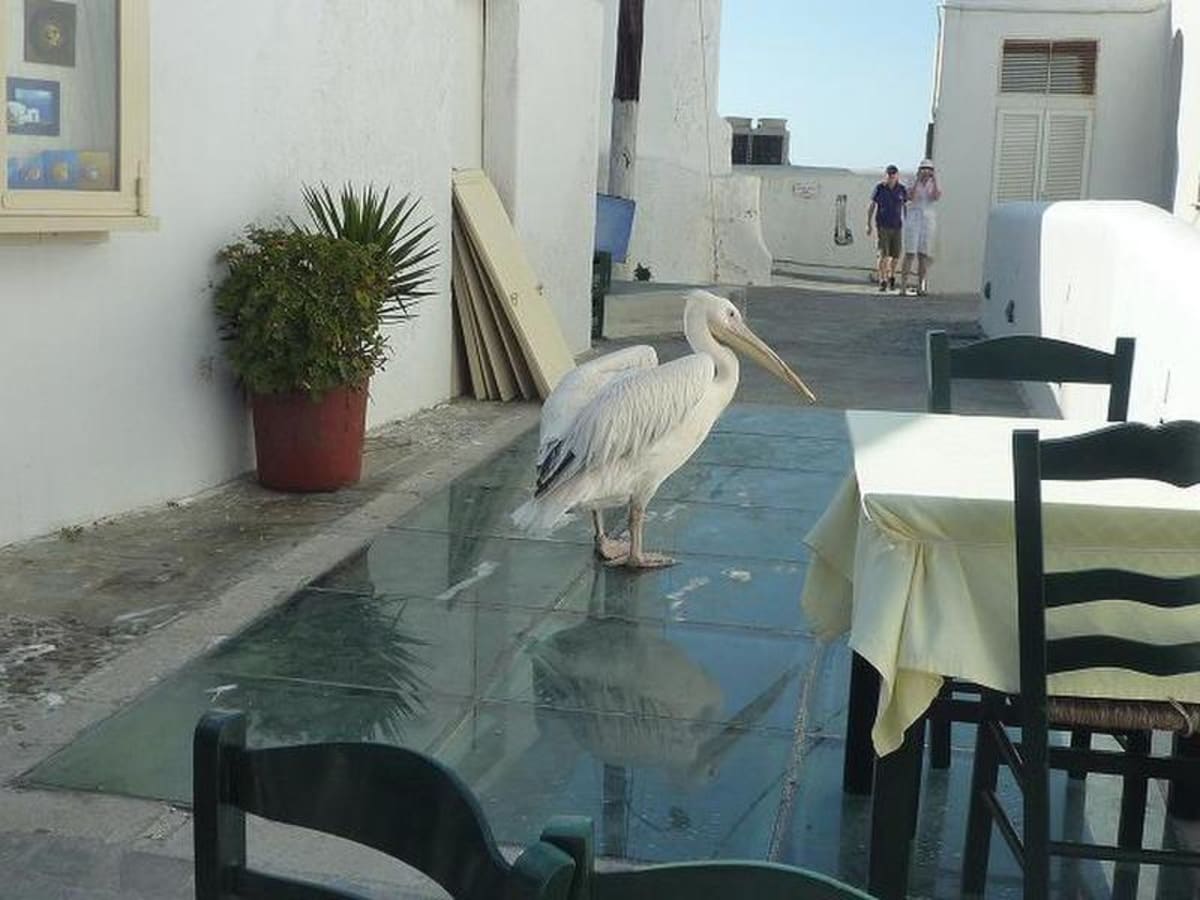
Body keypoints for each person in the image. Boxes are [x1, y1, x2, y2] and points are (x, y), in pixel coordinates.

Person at [900, 159, 941, 296]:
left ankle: (920, 286)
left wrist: (934, 180)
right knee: (910, 252)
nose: (926, 172)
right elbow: (909, 196)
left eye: (929, 169)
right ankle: (903, 286)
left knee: (923, 254)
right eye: (924, 169)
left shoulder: (933, 182)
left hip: (927, 218)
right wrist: (918, 180)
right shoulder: (911, 180)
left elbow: (935, 197)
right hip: (914, 217)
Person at [866, 165, 906, 292]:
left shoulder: (901, 189)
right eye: (889, 174)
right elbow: (872, 205)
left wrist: (907, 222)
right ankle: (882, 279)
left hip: (897, 226)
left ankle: (891, 276)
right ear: (886, 175)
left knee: (895, 254)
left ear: (897, 175)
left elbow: (905, 206)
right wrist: (868, 223)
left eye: (893, 174)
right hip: (883, 225)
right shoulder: (880, 188)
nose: (891, 176)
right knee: (883, 254)